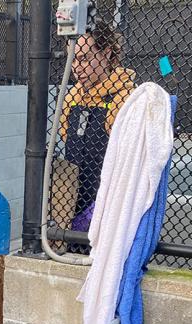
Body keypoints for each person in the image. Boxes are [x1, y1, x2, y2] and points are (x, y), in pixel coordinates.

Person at [52, 22, 136, 231]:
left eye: (84, 59)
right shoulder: (71, 97)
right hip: (71, 210)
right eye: (73, 60)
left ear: (106, 54)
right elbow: (64, 135)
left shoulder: (126, 98)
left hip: (109, 212)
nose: (77, 68)